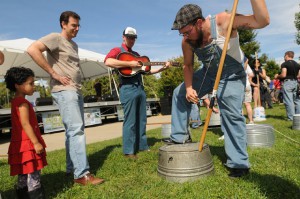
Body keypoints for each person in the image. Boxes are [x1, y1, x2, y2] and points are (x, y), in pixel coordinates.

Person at [163, 2, 269, 178]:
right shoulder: (187, 41)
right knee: (179, 93)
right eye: (182, 33)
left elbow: (262, 20)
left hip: (232, 74)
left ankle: (238, 163)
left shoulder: (223, 22)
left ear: (198, 22)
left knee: (231, 113)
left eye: (187, 31)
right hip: (208, 72)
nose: (185, 37)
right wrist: (189, 88)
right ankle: (180, 138)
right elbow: (187, 65)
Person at [27, 11, 104, 186]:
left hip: (75, 90)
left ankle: (72, 169)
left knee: (73, 131)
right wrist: (53, 73)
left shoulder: (74, 45)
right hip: (64, 90)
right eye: (73, 25)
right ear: (63, 24)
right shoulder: (55, 38)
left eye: (78, 26)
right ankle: (82, 174)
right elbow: (32, 49)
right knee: (76, 130)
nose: (77, 29)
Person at [104, 27, 170, 159]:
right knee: (130, 120)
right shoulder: (117, 50)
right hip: (128, 88)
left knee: (142, 119)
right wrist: (128, 63)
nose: (131, 40)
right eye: (129, 37)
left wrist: (162, 68)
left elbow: (146, 71)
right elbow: (108, 61)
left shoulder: (136, 54)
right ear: (123, 37)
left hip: (140, 88)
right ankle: (129, 151)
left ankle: (142, 146)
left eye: (133, 38)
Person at [4, 67, 47, 198]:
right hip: (28, 143)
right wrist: (36, 142)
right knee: (34, 172)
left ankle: (22, 195)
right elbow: (25, 123)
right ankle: (35, 195)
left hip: (20, 144)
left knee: (23, 172)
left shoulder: (15, 101)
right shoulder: (23, 103)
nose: (34, 86)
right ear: (18, 86)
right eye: (30, 83)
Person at [274, 51, 300, 121]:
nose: (284, 57)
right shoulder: (297, 64)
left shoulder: (284, 64)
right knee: (297, 100)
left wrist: (277, 76)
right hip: (295, 83)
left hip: (288, 83)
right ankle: (298, 116)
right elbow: (298, 75)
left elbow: (283, 75)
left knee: (289, 101)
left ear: (286, 56)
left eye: (284, 56)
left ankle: (291, 118)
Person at [244, 58, 254, 124]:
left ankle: (241, 122)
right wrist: (249, 80)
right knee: (247, 104)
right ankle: (251, 121)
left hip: (237, 86)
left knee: (238, 105)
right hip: (247, 85)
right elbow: (251, 74)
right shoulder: (246, 65)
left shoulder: (233, 64)